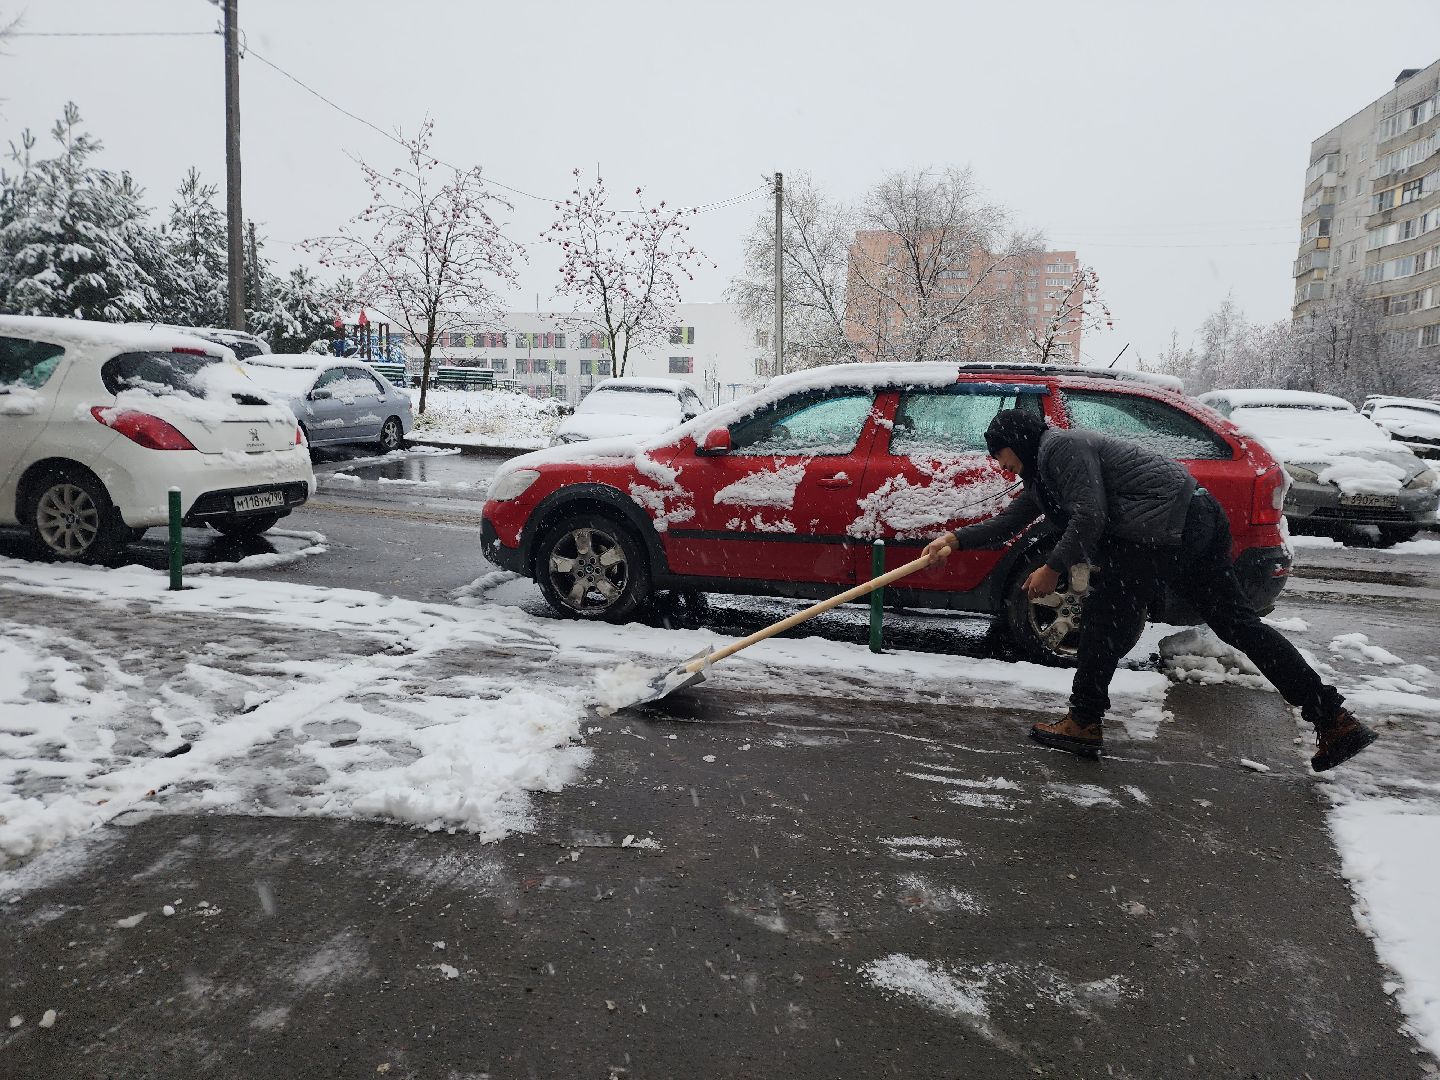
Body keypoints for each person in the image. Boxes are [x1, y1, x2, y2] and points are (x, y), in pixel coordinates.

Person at [921, 409, 1377, 772]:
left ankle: (1083, 721)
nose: (998, 465)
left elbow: (1091, 516)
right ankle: (1332, 718)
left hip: (1170, 528)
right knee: (1235, 624)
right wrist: (955, 541)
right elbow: (1011, 520)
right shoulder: (1043, 472)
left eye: (998, 454)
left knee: (1103, 617)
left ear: (1015, 443)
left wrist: (1052, 568)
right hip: (1192, 520)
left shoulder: (1061, 448)